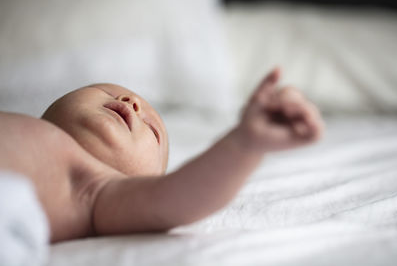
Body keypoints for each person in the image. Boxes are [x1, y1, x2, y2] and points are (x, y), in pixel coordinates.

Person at [0, 68, 323, 243]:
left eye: (153, 132)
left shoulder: (97, 193)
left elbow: (179, 196)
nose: (133, 103)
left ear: (149, 181)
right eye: (108, 92)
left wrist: (244, 143)